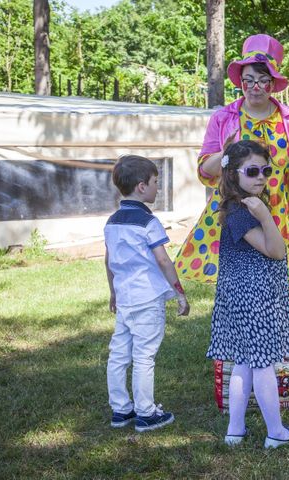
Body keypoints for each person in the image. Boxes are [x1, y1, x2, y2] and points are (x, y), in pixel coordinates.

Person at [175, 33, 289, 283]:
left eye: (263, 81)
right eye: (248, 81)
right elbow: (206, 172)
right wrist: (225, 153)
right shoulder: (223, 118)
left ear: (273, 84)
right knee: (241, 282)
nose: (255, 87)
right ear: (241, 82)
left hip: (281, 212)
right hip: (239, 212)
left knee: (276, 280)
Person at [206, 140, 289, 448]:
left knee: (243, 362)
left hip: (237, 294)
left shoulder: (238, 205)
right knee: (262, 365)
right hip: (254, 297)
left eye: (266, 170)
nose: (261, 177)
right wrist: (266, 217)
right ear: (233, 173)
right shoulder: (244, 211)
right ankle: (276, 432)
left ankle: (235, 430)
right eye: (253, 171)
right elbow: (275, 251)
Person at [104, 155, 190, 433]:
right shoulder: (148, 222)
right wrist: (180, 293)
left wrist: (113, 293)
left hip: (126, 298)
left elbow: (108, 261)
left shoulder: (112, 222)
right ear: (142, 187)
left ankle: (120, 409)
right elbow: (164, 261)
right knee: (144, 356)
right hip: (148, 299)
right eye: (155, 182)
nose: (158, 188)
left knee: (118, 355)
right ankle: (146, 413)